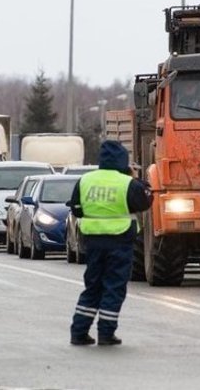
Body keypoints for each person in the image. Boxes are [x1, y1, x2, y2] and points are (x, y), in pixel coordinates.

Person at [68, 140, 153, 346]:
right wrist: (135, 178)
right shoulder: (126, 183)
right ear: (124, 161)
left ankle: (79, 332)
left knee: (93, 286)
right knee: (113, 287)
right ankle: (106, 333)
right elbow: (145, 201)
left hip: (93, 241)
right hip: (119, 240)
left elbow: (76, 209)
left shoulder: (85, 180)